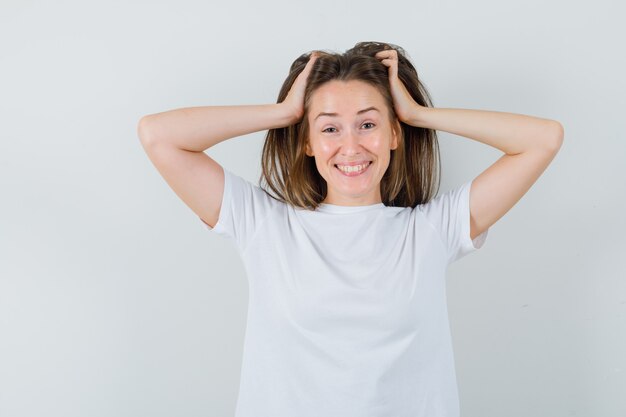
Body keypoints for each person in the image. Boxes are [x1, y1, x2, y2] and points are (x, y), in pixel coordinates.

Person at [137, 41, 563, 417]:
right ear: (305, 141)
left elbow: (543, 138)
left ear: (394, 133)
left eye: (368, 123)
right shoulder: (264, 224)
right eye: (329, 128)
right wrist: (284, 112)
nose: (352, 146)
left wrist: (417, 113)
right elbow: (158, 135)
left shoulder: (433, 229)